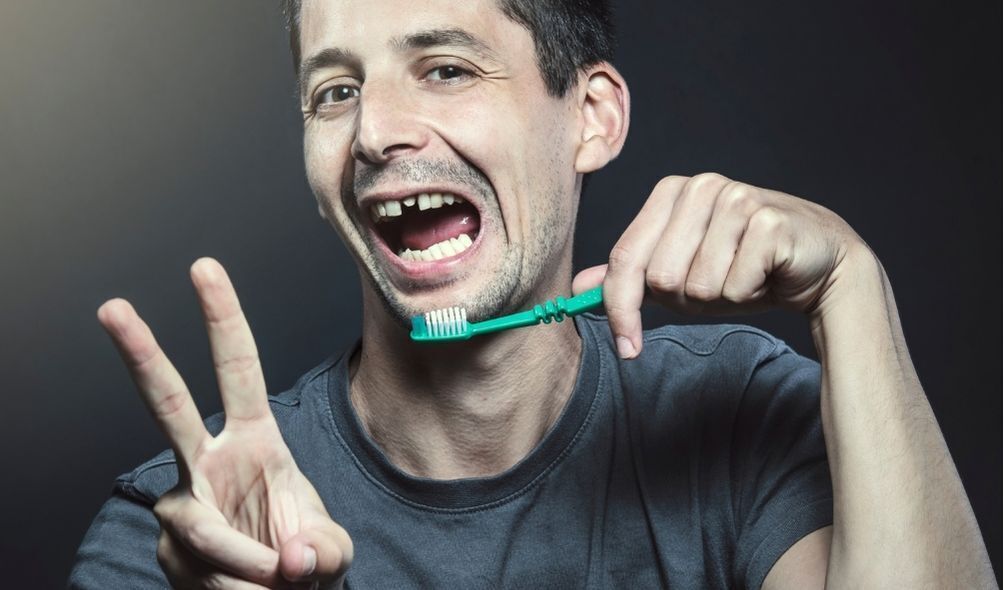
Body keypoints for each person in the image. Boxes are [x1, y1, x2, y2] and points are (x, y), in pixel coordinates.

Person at [70, 0, 995, 588]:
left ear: (590, 118)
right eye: (335, 91)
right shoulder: (189, 538)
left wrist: (851, 287)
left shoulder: (744, 417)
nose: (376, 132)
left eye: (446, 68)